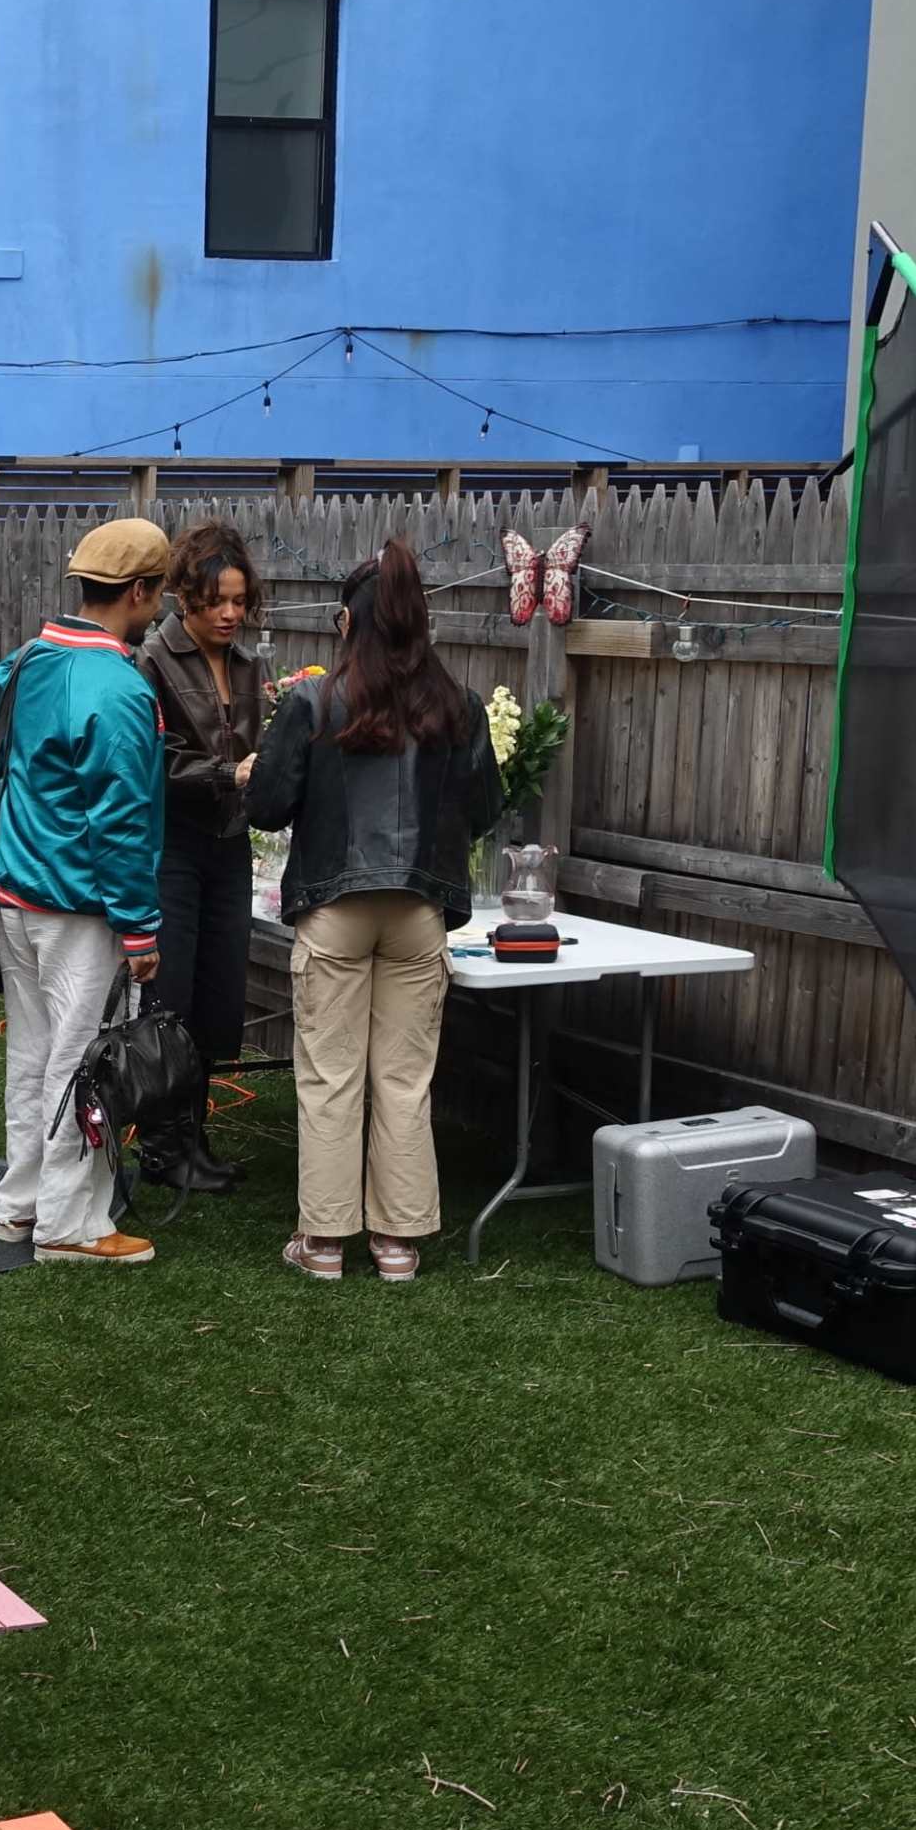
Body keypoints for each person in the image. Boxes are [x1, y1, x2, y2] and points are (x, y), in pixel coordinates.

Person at [244, 536, 498, 1284]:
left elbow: (267, 804)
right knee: (404, 1077)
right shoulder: (459, 705)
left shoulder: (314, 699)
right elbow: (481, 808)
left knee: (329, 1075)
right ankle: (398, 1244)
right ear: (421, 623)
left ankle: (323, 1245)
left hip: (334, 903)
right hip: (419, 909)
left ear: (345, 622)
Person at [0, 518, 170, 1267]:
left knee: (32, 1055)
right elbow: (121, 819)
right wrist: (141, 927)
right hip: (81, 906)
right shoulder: (120, 686)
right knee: (81, 1060)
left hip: (16, 894)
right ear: (137, 591)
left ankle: (20, 1206)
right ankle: (68, 1224)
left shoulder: (22, 662)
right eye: (159, 592)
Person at [133, 522, 262, 1193]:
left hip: (229, 846)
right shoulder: (153, 659)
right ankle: (160, 1147)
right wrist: (229, 773)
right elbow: (154, 760)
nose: (231, 613)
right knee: (168, 999)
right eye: (217, 600)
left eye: (239, 600)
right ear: (185, 596)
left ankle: (194, 1137)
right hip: (175, 847)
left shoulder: (247, 665)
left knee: (217, 1000)